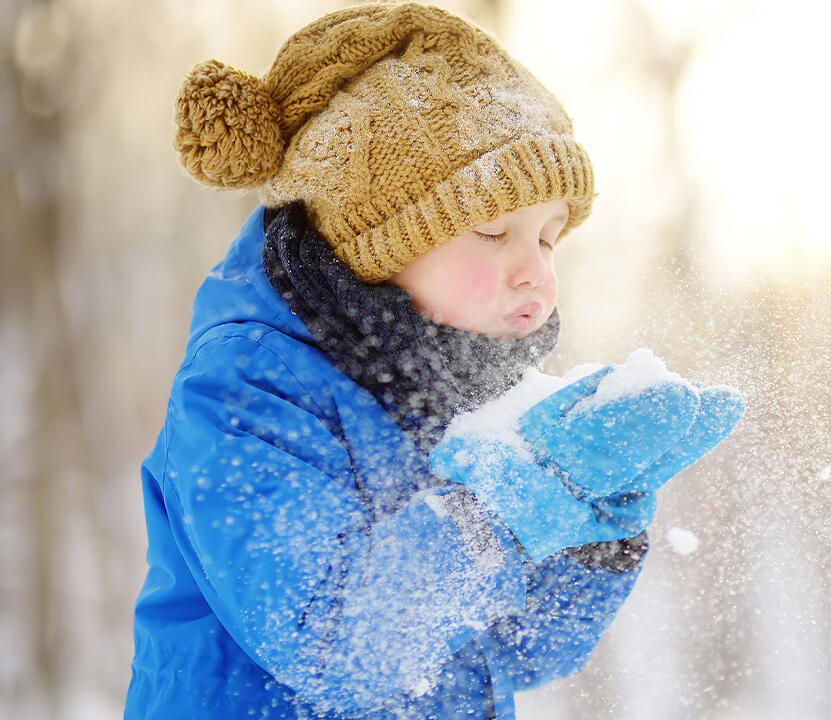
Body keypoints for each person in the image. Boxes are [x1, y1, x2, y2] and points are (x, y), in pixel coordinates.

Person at [123, 4, 742, 719]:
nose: (536, 273)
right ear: (376, 240)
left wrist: (591, 525)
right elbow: (338, 645)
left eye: (547, 239)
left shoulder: (455, 382)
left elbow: (521, 651)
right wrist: (514, 501)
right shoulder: (245, 389)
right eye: (492, 230)